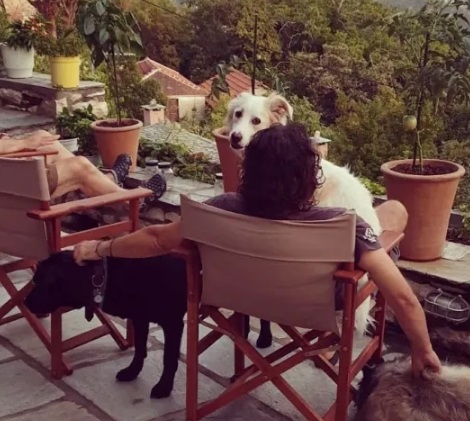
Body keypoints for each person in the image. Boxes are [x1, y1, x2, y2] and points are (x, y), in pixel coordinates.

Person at [73, 123, 442, 377]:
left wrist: (99, 248)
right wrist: (423, 349)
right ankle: (334, 343)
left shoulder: (220, 209)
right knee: (395, 214)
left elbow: (155, 239)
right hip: (313, 303)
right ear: (309, 176)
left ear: (249, 171)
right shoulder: (344, 225)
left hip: (241, 296)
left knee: (390, 214)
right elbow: (403, 298)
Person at [0, 130, 166, 206]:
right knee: (78, 166)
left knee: (44, 138)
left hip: (7, 174)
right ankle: (134, 201)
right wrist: (23, 143)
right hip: (9, 184)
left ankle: (105, 181)